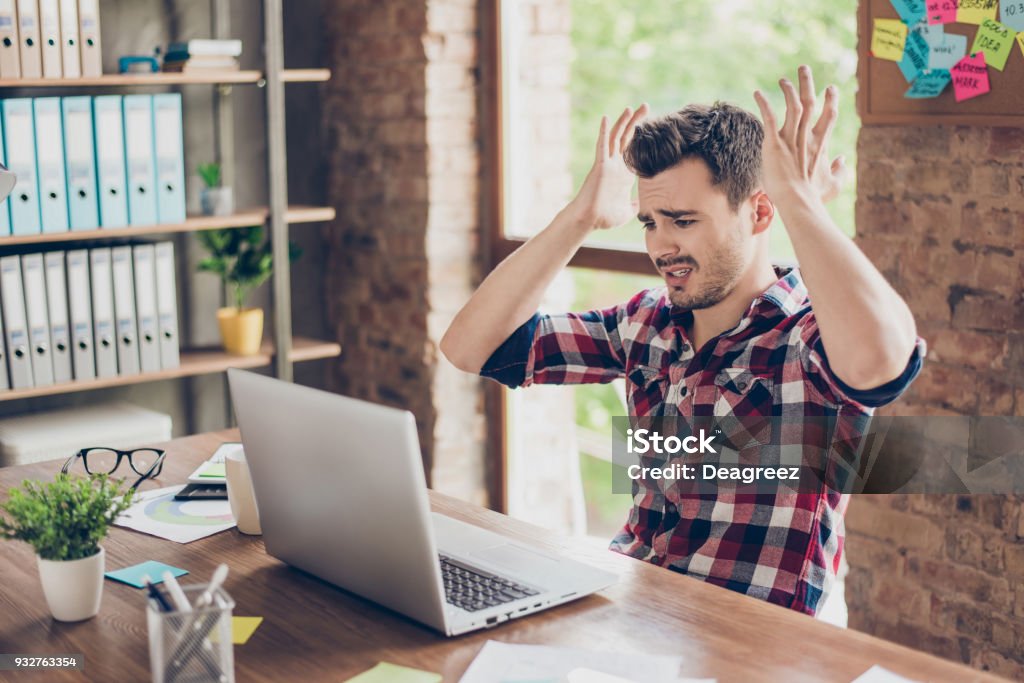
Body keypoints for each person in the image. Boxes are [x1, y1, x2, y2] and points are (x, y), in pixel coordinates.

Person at [440, 66, 924, 616]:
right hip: (627, 606)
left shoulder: (807, 338)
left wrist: (802, 204)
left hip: (746, 644)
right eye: (649, 222)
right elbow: (470, 347)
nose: (661, 246)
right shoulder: (645, 324)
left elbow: (886, 361)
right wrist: (577, 219)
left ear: (760, 211)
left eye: (683, 220)